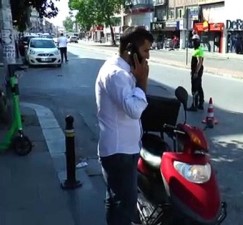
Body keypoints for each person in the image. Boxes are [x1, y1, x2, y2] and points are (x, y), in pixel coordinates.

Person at [95, 26, 154, 225]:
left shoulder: (124, 71)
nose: (148, 57)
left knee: (117, 200)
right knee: (125, 205)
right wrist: (142, 81)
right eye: (145, 50)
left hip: (124, 149)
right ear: (130, 50)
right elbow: (134, 109)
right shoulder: (116, 74)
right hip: (119, 152)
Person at [188, 34, 205, 111]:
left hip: (197, 71)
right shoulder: (197, 50)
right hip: (196, 71)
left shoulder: (199, 50)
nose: (193, 43)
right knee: (199, 87)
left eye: (194, 41)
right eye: (193, 41)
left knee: (195, 88)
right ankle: (200, 103)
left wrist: (195, 72)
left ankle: (194, 105)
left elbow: (200, 62)